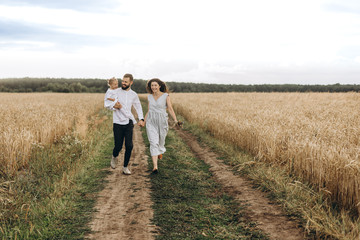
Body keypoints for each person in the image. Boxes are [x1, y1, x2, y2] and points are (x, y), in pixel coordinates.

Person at [104, 73, 145, 175]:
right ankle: (114, 156)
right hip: (117, 122)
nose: (123, 83)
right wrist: (114, 106)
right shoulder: (115, 91)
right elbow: (106, 103)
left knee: (129, 145)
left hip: (128, 123)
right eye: (122, 81)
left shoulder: (133, 95)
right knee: (118, 146)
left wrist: (141, 118)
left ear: (131, 83)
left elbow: (138, 107)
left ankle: (125, 167)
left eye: (126, 81)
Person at [144, 78, 181, 174]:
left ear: (159, 86)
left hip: (162, 122)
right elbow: (148, 110)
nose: (154, 87)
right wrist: (143, 121)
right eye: (152, 85)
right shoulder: (149, 97)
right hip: (151, 121)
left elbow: (170, 108)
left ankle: (159, 151)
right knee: (153, 142)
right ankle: (155, 167)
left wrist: (176, 120)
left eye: (155, 85)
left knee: (161, 142)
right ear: (150, 87)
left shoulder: (165, 96)